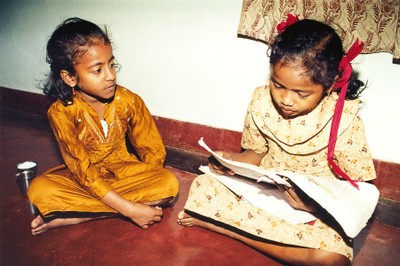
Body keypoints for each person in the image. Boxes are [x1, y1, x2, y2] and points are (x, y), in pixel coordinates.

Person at [177, 16, 376, 266]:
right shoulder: (261, 100)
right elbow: (255, 154)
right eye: (278, 85)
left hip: (313, 208)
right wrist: (231, 161)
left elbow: (360, 194)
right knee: (203, 185)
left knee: (331, 260)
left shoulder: (344, 118)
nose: (286, 100)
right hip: (267, 191)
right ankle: (244, 228)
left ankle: (228, 229)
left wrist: (313, 206)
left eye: (301, 93)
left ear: (330, 84)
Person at [28, 17, 179, 236]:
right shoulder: (61, 112)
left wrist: (149, 176)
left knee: (168, 183)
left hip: (125, 173)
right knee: (39, 189)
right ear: (69, 77)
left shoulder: (129, 100)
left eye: (111, 64)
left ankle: (76, 216)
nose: (110, 76)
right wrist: (130, 209)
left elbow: (153, 151)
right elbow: (83, 171)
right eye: (97, 70)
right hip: (84, 180)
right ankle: (124, 209)